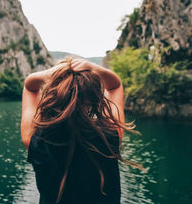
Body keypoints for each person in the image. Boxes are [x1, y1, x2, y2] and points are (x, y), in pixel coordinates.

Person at [21, 58, 137, 204]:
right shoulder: (109, 137)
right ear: (91, 101)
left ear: (53, 97)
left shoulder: (36, 141)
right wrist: (95, 69)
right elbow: (115, 86)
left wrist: (49, 74)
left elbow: (30, 87)